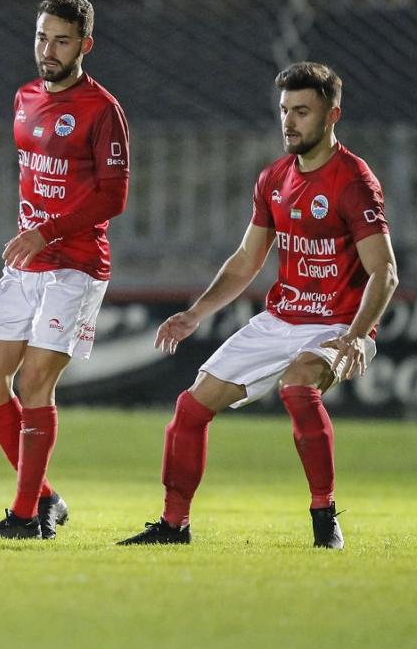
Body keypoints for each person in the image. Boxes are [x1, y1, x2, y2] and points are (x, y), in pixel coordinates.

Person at [119, 62, 397, 549]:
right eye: (285, 110)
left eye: (302, 112)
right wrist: (195, 313)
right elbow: (248, 259)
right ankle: (173, 525)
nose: (289, 122)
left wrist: (355, 335)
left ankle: (324, 516)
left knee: (297, 388)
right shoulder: (274, 179)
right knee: (189, 409)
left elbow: (385, 272)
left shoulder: (353, 180)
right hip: (280, 319)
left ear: (333, 115)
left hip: (336, 323)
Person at [0, 0, 130, 540]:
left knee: (36, 382)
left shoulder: (102, 110)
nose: (49, 49)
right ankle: (45, 498)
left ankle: (24, 519)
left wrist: (45, 230)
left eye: (62, 40)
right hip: (28, 263)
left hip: (76, 265)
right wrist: (31, 236)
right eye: (42, 37)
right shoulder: (24, 97)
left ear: (85, 45)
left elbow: (113, 198)